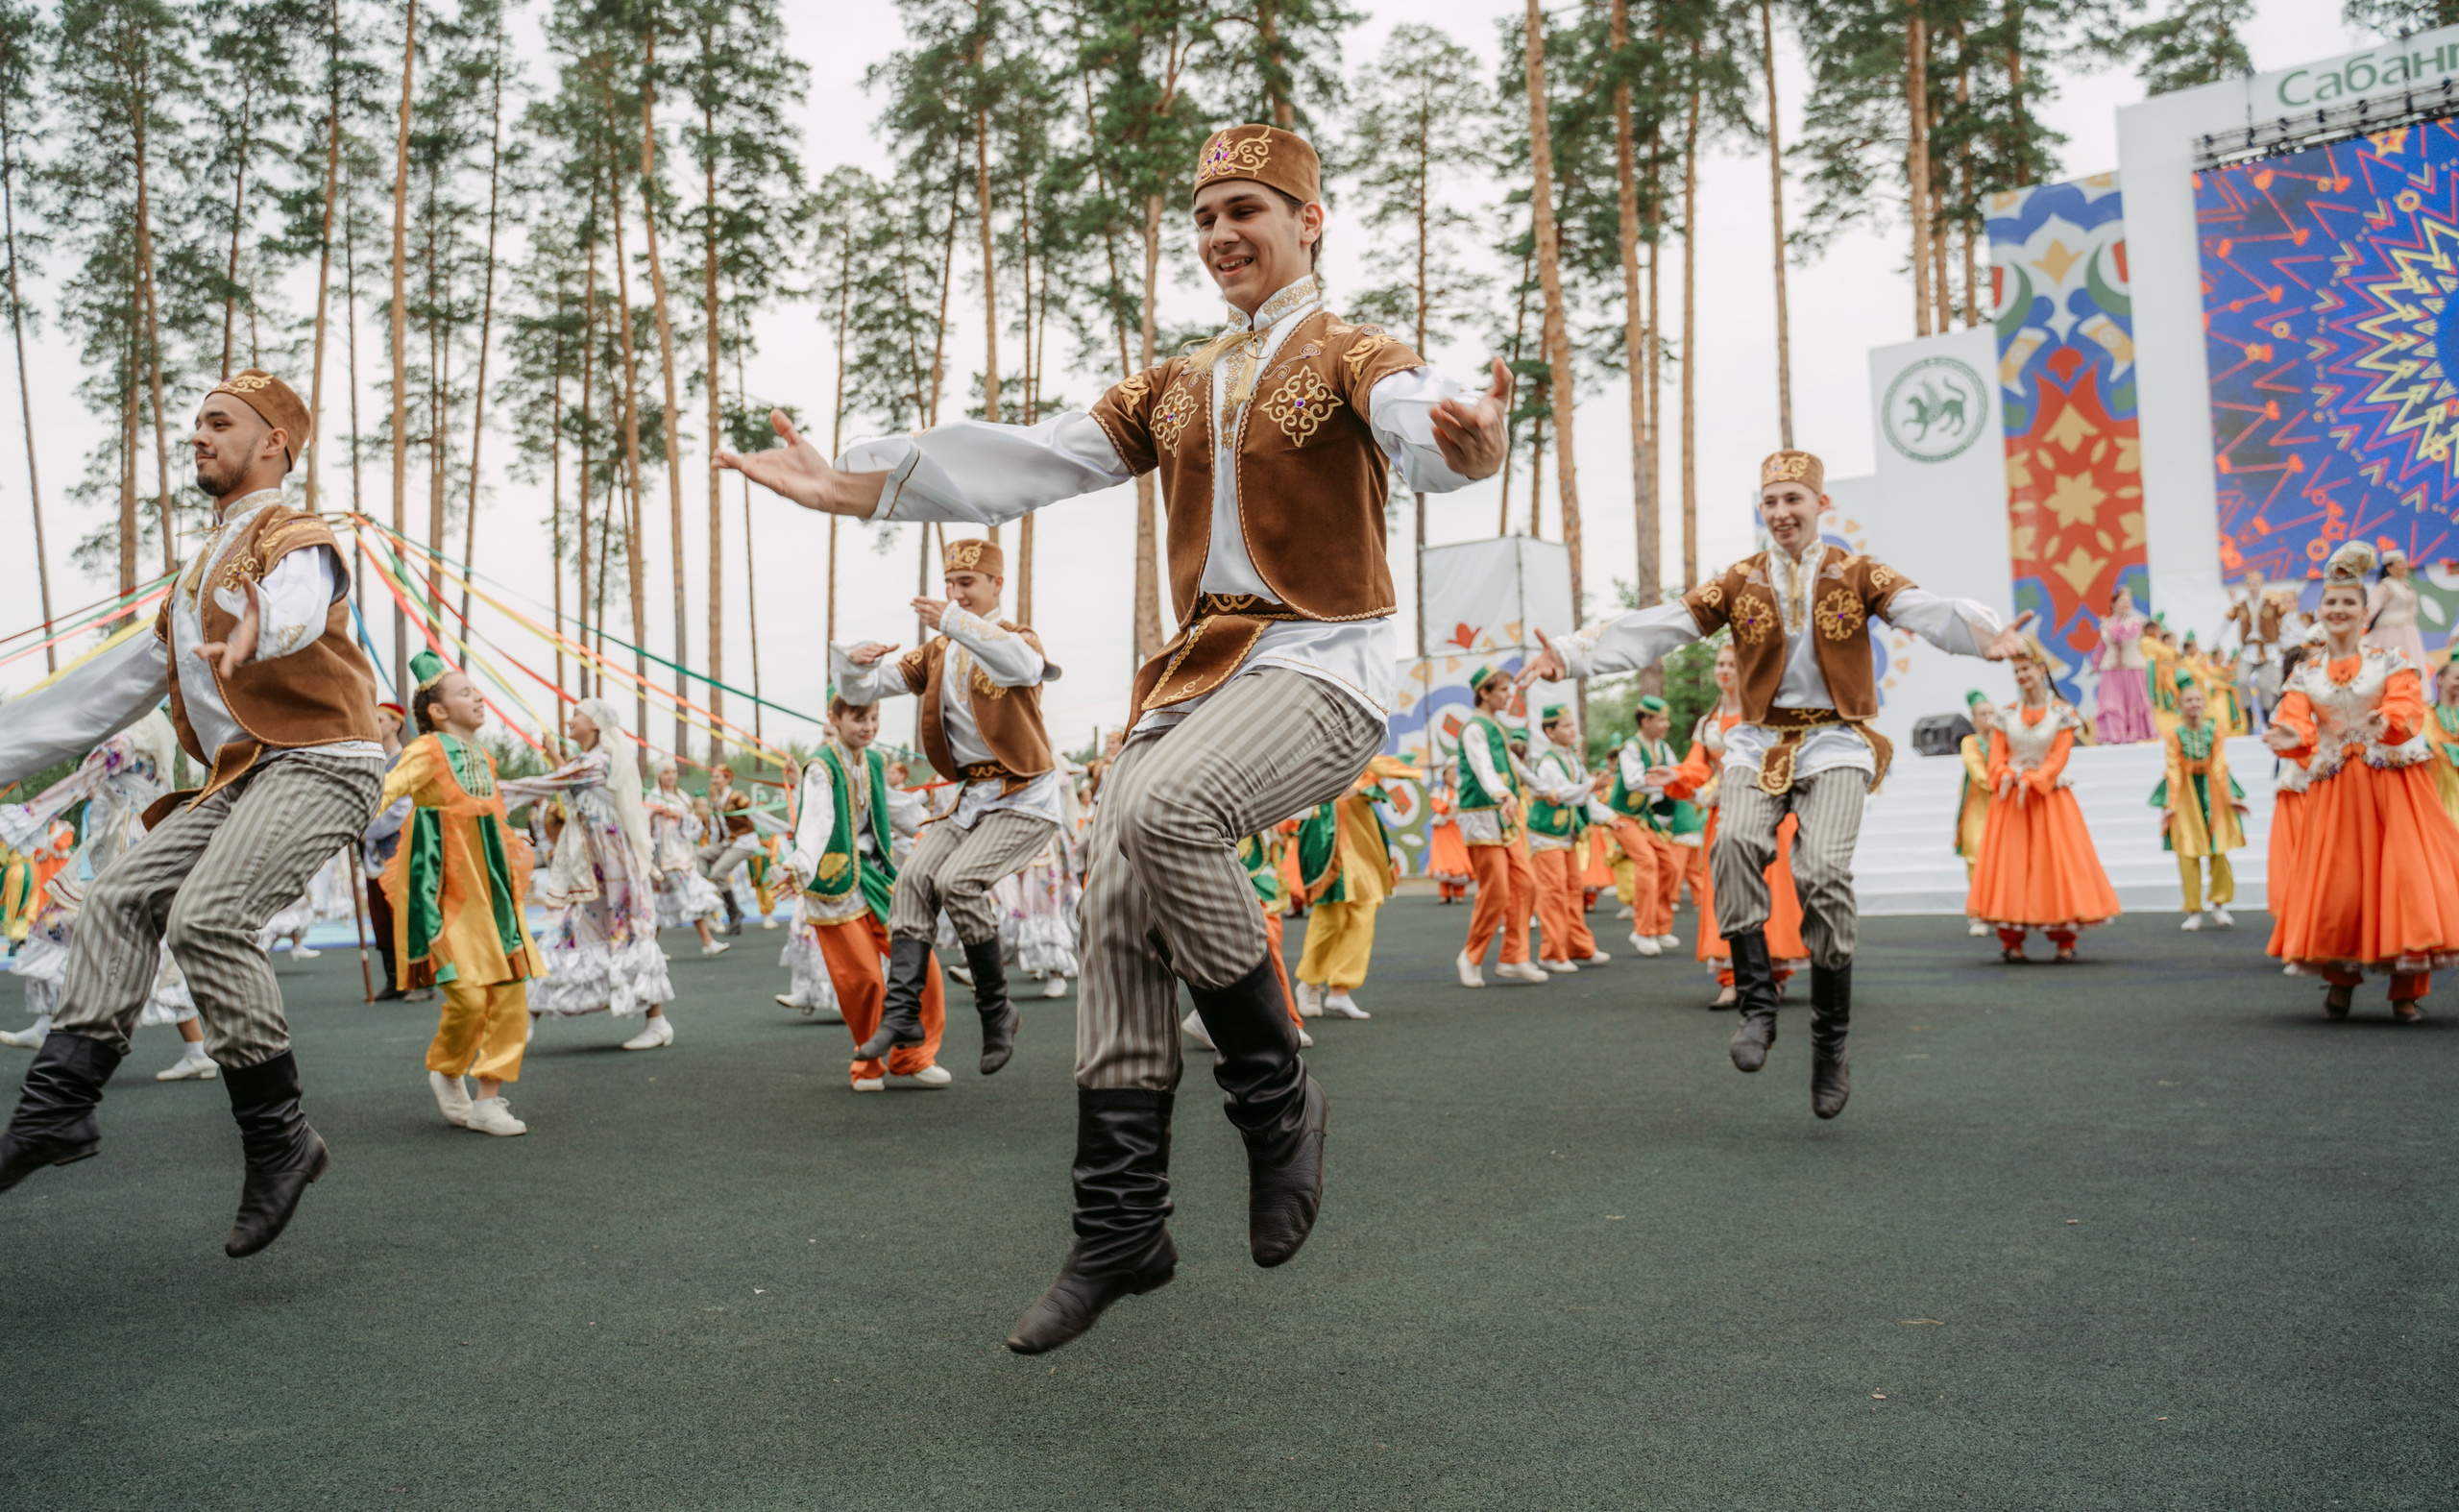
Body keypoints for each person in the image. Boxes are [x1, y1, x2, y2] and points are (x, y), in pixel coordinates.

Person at [717, 121, 1510, 1353]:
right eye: (1203, 217)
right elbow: (1039, 454)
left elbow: (1423, 422)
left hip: (1323, 661)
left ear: (1310, 223)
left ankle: (1274, 1090)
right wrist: (861, 484)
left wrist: (1469, 444)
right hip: (1203, 670)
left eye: (1246, 208)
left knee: (1158, 811)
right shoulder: (1175, 383)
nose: (1220, 234)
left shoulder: (1360, 352)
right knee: (1113, 899)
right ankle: (1120, 1219)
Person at [0, 368, 386, 1258]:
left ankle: (281, 1142)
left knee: (210, 917)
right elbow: (99, 695)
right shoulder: (192, 579)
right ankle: (57, 1112)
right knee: (118, 896)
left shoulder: (297, 536)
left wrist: (262, 630)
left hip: (325, 760)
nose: (199, 436)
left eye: (220, 423)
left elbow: (290, 606)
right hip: (245, 774)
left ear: (275, 444)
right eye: (196, 424)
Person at [1522, 448, 2026, 1119]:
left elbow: (1921, 608)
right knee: (1732, 846)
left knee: (1821, 873)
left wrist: (1983, 635)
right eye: (1772, 501)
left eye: (1795, 498)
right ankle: (1758, 1007)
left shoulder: (1858, 571)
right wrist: (1575, 654)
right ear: (1762, 511)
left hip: (1838, 739)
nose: (1783, 512)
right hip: (1757, 742)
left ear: (1822, 505)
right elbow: (1664, 625)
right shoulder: (1739, 580)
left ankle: (1830, 1042)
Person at [824, 537, 1059, 1079]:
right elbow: (866, 686)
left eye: (967, 584)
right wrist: (851, 662)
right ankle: (903, 1014)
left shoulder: (1015, 639)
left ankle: (997, 1011)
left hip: (1025, 796)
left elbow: (1020, 668)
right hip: (973, 799)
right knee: (914, 878)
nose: (956, 594)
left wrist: (952, 620)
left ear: (996, 585)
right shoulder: (936, 652)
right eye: (950, 584)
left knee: (957, 881)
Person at [2264, 543, 2459, 1021]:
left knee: (2404, 879)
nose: (2338, 609)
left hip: (2393, 787)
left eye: (2348, 602)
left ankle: (2406, 989)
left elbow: (2407, 707)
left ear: (2362, 611)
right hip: (2337, 792)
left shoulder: (2390, 660)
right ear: (2321, 610)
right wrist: (2293, 736)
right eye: (2331, 601)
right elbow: (2297, 721)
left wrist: (2387, 722)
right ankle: (2340, 980)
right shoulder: (2306, 674)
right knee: (2341, 883)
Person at [382, 653, 544, 1136]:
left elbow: (490, 815)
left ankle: (489, 1100)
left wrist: (515, 840)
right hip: (445, 894)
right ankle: (448, 1069)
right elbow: (386, 791)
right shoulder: (427, 751)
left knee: (511, 994)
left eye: (477, 691)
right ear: (437, 710)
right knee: (469, 1000)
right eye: (466, 691)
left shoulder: (484, 758)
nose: (478, 697)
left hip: (491, 896)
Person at [783, 695, 952, 1091]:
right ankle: (868, 1064)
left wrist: (949, 819)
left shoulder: (874, 761)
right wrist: (799, 865)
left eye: (874, 718)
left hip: (878, 876)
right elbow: (816, 821)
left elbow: (895, 807)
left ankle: (914, 1057)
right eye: (859, 718)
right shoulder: (821, 767)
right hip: (835, 881)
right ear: (834, 719)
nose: (868, 726)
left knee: (923, 967)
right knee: (865, 979)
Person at [499, 699, 678, 1048]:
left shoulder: (597, 761)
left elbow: (550, 783)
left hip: (609, 864)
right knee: (569, 929)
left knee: (620, 931)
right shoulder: (593, 761)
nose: (569, 720)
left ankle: (657, 1023)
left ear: (594, 724)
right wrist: (554, 755)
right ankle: (526, 1018)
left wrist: (491, 792)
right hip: (592, 864)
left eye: (577, 715)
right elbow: (570, 786)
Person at [1658, 655, 1810, 1007]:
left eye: (1732, 663)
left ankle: (1773, 974)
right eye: (1720, 663)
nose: (1724, 669)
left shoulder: (1764, 711)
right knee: (1724, 891)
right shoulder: (1708, 723)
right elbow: (1697, 768)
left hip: (1768, 810)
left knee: (1771, 888)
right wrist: (1677, 775)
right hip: (1724, 814)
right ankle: (1731, 977)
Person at [1969, 638, 2123, 962]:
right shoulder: (2006, 715)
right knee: (2010, 867)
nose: (2022, 675)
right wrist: (2004, 774)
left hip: (2048, 799)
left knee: (2055, 866)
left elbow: (2058, 757)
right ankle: (2011, 940)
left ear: (2041, 670)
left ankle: (2064, 939)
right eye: (2017, 671)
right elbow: (1995, 758)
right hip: (2012, 801)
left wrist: (2035, 779)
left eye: (2026, 669)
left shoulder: (2062, 714)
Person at [1292, 757, 1408, 1017]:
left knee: (1364, 913)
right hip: (1327, 832)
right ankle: (1310, 982)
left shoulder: (1366, 745)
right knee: (1331, 916)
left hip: (1360, 834)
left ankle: (1340, 990)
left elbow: (1388, 772)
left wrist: (1363, 785)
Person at [1453, 666, 1546, 988]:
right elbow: (1483, 765)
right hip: (1481, 815)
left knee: (1527, 884)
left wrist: (1545, 789)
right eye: (1504, 690)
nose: (1510, 695)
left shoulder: (1495, 726)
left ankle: (1514, 957)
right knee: (1496, 892)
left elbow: (1513, 765)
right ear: (1485, 693)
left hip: (1504, 815)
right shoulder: (1473, 728)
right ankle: (1471, 956)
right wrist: (1502, 793)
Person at [2154, 680, 2247, 933]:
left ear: (2204, 704)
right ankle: (2193, 909)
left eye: (2197, 700)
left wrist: (2230, 797)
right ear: (2179, 706)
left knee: (2219, 849)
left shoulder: (2214, 731)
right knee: (2187, 851)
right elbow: (2172, 768)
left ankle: (2219, 904)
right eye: (2189, 700)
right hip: (2185, 793)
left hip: (2213, 790)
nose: (2194, 704)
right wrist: (2170, 804)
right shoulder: (2174, 735)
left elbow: (2219, 763)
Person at [1523, 706, 1609, 973]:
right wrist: (1591, 786)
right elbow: (1565, 793)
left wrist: (1609, 817)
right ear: (1550, 732)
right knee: (1553, 892)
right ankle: (1551, 952)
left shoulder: (1571, 758)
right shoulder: (1548, 762)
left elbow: (1586, 797)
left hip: (1566, 834)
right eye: (1567, 726)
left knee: (1574, 889)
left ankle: (1579, 946)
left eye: (1573, 725)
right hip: (1546, 835)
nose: (1574, 730)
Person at [1620, 696, 1695, 957]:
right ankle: (1642, 930)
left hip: (1644, 818)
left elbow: (1676, 772)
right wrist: (1667, 783)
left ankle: (1661, 927)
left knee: (1669, 865)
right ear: (1645, 720)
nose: (1667, 724)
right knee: (1648, 863)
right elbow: (1632, 782)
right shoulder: (1630, 748)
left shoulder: (1662, 748)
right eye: (1662, 719)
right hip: (1621, 818)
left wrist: (1687, 786)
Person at [645, 763, 728, 956]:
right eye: (666, 772)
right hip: (665, 858)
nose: (670, 776)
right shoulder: (652, 797)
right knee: (687, 895)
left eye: (673, 772)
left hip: (683, 855)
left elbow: (695, 825)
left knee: (663, 903)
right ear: (659, 775)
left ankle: (649, 948)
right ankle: (707, 941)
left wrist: (682, 816)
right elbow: (645, 828)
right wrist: (655, 814)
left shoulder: (682, 796)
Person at [363, 701, 414, 1002]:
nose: (375, 724)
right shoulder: (370, 760)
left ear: (396, 723)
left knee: (404, 915)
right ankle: (393, 980)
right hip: (372, 852)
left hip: (400, 848)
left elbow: (401, 808)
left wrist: (362, 828)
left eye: (380, 719)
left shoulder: (405, 761)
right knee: (381, 918)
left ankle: (416, 980)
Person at [696, 765, 760, 936]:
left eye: (718, 777)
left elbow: (754, 813)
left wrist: (779, 827)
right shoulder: (718, 802)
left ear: (727, 779)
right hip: (728, 843)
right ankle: (702, 891)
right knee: (701, 854)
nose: (714, 780)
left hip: (744, 842)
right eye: (713, 777)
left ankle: (734, 911)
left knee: (718, 873)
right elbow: (717, 831)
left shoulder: (737, 796)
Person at [1953, 691, 1996, 936]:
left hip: (2002, 808)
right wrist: (2003, 782)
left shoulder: (2003, 741)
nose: (1988, 718)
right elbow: (1978, 773)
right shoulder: (1969, 742)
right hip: (1977, 808)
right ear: (1974, 719)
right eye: (1983, 714)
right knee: (1976, 860)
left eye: (1991, 713)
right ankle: (1978, 913)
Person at [2366, 548, 2428, 669]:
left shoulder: (2405, 585)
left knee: (2412, 661)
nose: (2405, 566)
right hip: (2390, 632)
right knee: (2393, 663)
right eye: (2400, 563)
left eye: (2405, 562)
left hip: (2408, 630)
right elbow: (2372, 607)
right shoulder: (2385, 586)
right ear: (2389, 568)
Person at [1424, 767, 1472, 903]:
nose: (1452, 776)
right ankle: (1444, 893)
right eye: (1449, 774)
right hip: (1443, 829)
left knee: (1459, 859)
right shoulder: (1438, 792)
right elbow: (1437, 806)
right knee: (1443, 860)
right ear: (1444, 776)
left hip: (1457, 828)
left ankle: (1459, 893)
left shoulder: (1461, 791)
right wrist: (1447, 806)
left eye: (1454, 774)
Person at [2424, 659, 2459, 826]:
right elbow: (2411, 741)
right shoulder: (2425, 714)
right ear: (2441, 680)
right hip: (2436, 787)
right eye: (2457, 678)